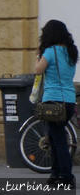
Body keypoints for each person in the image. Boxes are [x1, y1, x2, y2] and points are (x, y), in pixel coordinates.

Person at [35, 19, 78, 188]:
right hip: (68, 100)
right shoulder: (71, 51)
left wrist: (38, 56)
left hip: (53, 100)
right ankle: (55, 175)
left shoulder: (50, 52)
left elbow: (38, 70)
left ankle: (66, 176)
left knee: (58, 140)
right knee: (54, 138)